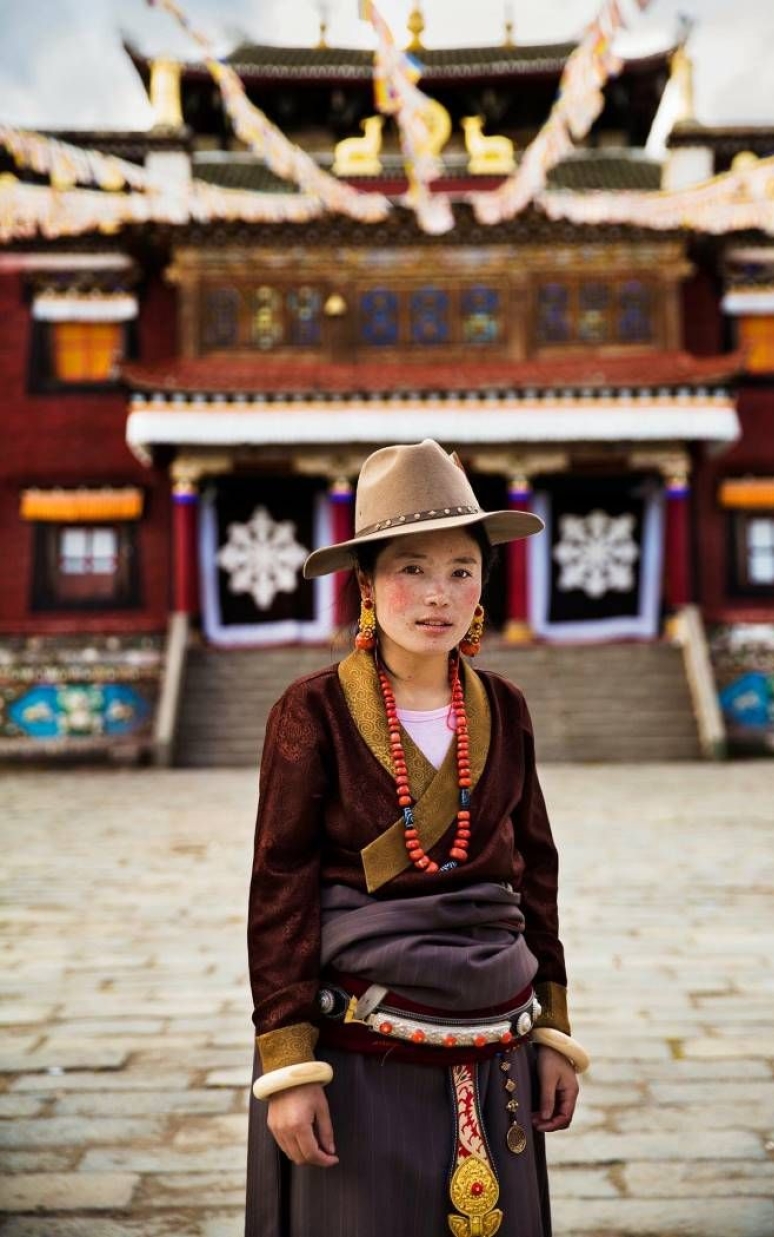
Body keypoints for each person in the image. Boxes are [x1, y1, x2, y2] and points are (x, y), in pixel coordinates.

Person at [245, 440, 589, 1237]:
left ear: (483, 585)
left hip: (498, 1030)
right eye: (411, 568)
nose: (439, 595)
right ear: (364, 585)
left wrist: (553, 1028)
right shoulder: (315, 712)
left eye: (461, 570)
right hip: (363, 1044)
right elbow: (280, 884)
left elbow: (535, 870)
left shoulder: (503, 704)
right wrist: (289, 1065)